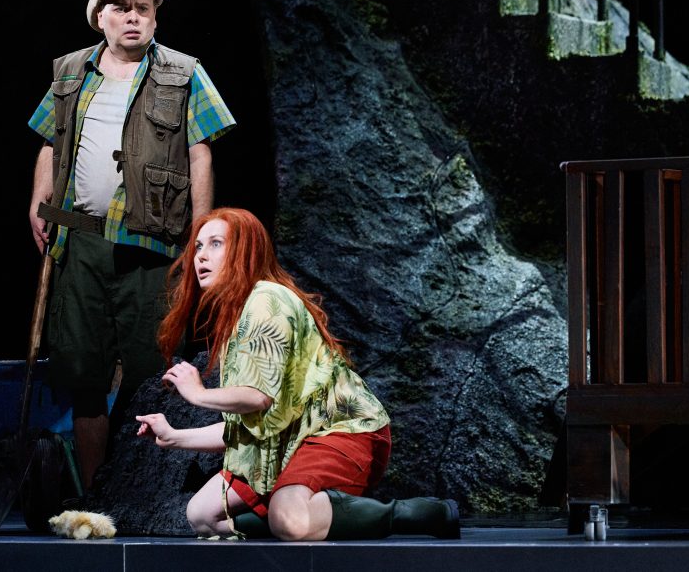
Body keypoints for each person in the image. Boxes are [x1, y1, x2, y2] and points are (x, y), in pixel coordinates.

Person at [27, 0, 235, 490]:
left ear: (155, 18)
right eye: (121, 8)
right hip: (80, 242)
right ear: (100, 17)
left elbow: (200, 153)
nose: (133, 17)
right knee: (84, 375)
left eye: (143, 8)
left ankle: (144, 490)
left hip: (151, 245)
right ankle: (95, 493)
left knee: (152, 372)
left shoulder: (183, 72)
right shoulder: (71, 71)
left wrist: (201, 233)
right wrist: (37, 197)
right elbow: (51, 141)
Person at [135, 208, 460, 540]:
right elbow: (250, 426)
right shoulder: (239, 316)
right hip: (286, 444)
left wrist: (198, 393)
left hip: (341, 431)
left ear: (245, 250)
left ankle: (414, 513)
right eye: (198, 247)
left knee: (289, 518)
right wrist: (175, 436)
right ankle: (294, 519)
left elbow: (257, 397)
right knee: (203, 516)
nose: (201, 256)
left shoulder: (266, 299)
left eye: (216, 244)